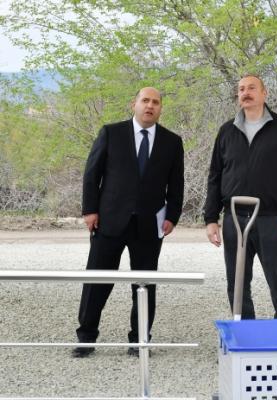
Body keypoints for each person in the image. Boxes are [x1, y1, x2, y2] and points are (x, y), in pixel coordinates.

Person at [74, 87, 184, 358]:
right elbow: (92, 174)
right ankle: (86, 338)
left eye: (155, 102)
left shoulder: (172, 141)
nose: (150, 106)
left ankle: (139, 341)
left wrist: (172, 216)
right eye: (145, 101)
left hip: (149, 225)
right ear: (133, 104)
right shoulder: (111, 133)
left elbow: (177, 184)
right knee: (97, 281)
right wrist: (90, 210)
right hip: (109, 221)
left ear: (160, 108)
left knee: (144, 285)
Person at [203, 74, 277, 319]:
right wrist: (211, 219)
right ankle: (245, 334)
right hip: (234, 218)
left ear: (265, 93)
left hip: (271, 218)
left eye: (252, 88)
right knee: (237, 284)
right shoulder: (227, 130)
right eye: (241, 89)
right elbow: (215, 176)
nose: (246, 93)